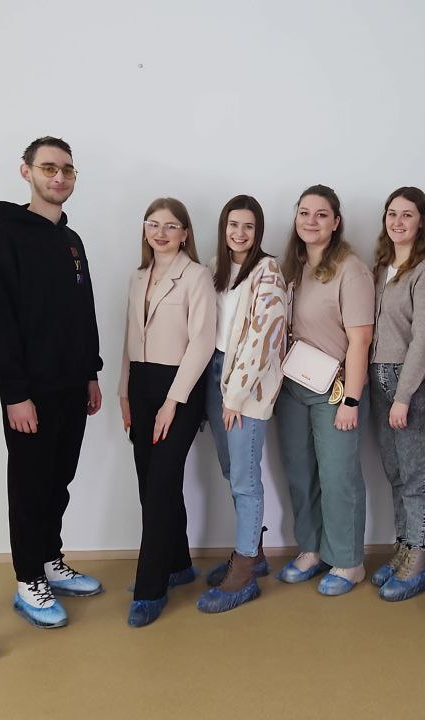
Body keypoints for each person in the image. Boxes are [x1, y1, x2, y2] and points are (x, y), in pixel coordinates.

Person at [0, 137, 104, 629]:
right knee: (30, 486)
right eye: (49, 167)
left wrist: (90, 372)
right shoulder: (5, 239)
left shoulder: (71, 241)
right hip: (29, 391)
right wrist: (14, 393)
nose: (59, 177)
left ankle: (50, 560)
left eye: (67, 170)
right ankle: (28, 578)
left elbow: (82, 312)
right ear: (26, 171)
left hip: (71, 386)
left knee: (58, 481)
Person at [119, 197, 216, 627]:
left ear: (185, 233)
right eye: (153, 224)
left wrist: (172, 402)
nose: (160, 233)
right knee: (151, 483)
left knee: (160, 485)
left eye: (171, 226)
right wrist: (123, 393)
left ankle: (150, 588)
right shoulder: (138, 276)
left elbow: (202, 342)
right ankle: (177, 563)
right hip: (140, 385)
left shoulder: (196, 276)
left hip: (179, 387)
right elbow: (129, 336)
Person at [274, 184, 375, 596]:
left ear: (336, 222)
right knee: (300, 474)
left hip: (335, 391)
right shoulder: (291, 268)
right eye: (304, 213)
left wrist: (352, 399)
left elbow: (361, 340)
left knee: (338, 477)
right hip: (292, 387)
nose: (311, 221)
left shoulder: (351, 270)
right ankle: (311, 549)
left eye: (321, 214)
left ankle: (348, 561)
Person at [197, 195, 287, 614]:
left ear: (258, 231)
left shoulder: (268, 270)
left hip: (245, 387)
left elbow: (263, 338)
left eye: (248, 226)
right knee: (232, 470)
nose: (240, 233)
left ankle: (244, 573)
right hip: (213, 375)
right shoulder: (216, 266)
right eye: (234, 224)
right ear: (224, 226)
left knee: (246, 479)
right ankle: (254, 552)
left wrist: (234, 396)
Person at [367, 187, 425, 602]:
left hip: (410, 383)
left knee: (418, 478)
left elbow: (424, 339)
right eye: (392, 213)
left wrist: (403, 396)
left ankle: (417, 562)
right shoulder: (382, 267)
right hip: (377, 377)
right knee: (396, 473)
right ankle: (403, 548)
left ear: (422, 222)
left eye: (407, 214)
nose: (398, 221)